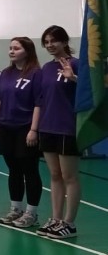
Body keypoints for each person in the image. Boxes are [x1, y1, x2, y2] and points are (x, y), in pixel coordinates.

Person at [0, 37, 42, 228]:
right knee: (13, 170)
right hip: (6, 127)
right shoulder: (6, 73)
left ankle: (31, 213)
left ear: (27, 51)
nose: (11, 51)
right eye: (10, 48)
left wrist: (33, 129)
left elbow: (38, 103)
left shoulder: (36, 73)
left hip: (25, 128)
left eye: (16, 48)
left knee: (30, 170)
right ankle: (16, 209)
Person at [36, 25, 80, 239]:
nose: (50, 45)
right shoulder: (46, 68)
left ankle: (69, 223)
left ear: (64, 41)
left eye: (54, 40)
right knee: (54, 175)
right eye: (46, 42)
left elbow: (90, 94)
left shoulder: (77, 64)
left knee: (69, 176)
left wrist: (73, 78)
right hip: (47, 127)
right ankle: (55, 218)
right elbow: (41, 98)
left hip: (67, 127)